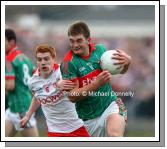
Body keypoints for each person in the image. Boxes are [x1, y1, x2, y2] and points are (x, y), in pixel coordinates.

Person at [60, 21, 131, 137]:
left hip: (110, 105)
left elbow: (121, 71)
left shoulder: (101, 51)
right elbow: (72, 96)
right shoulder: (67, 64)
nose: (74, 45)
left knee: (114, 136)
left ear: (88, 40)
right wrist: (96, 84)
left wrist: (127, 63)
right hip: (88, 119)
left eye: (79, 40)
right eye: (71, 41)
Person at [20, 44, 90, 137]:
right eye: (39, 59)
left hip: (78, 126)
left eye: (46, 59)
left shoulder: (64, 72)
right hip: (54, 131)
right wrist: (28, 115)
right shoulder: (32, 82)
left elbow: (78, 91)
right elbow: (37, 97)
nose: (43, 62)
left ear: (53, 59)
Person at [5, 29, 39, 137]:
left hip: (21, 109)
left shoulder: (9, 59)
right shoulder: (25, 58)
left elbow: (10, 85)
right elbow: (35, 77)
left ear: (11, 42)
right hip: (15, 107)